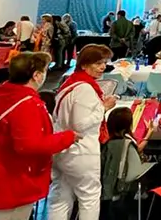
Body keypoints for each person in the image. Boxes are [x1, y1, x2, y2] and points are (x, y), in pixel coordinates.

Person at [0, 52, 76, 220]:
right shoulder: (26, 103)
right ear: (36, 75)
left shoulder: (2, 95)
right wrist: (67, 137)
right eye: (45, 70)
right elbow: (30, 145)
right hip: (13, 177)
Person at [48, 45, 118, 220]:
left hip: (61, 149)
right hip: (81, 151)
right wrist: (104, 107)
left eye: (104, 63)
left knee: (60, 198)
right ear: (85, 65)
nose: (103, 67)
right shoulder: (85, 89)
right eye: (98, 63)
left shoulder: (69, 83)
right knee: (89, 197)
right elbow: (80, 124)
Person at [101, 107, 154, 220]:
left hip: (112, 181)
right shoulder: (127, 142)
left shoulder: (108, 143)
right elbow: (138, 150)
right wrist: (148, 135)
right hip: (129, 179)